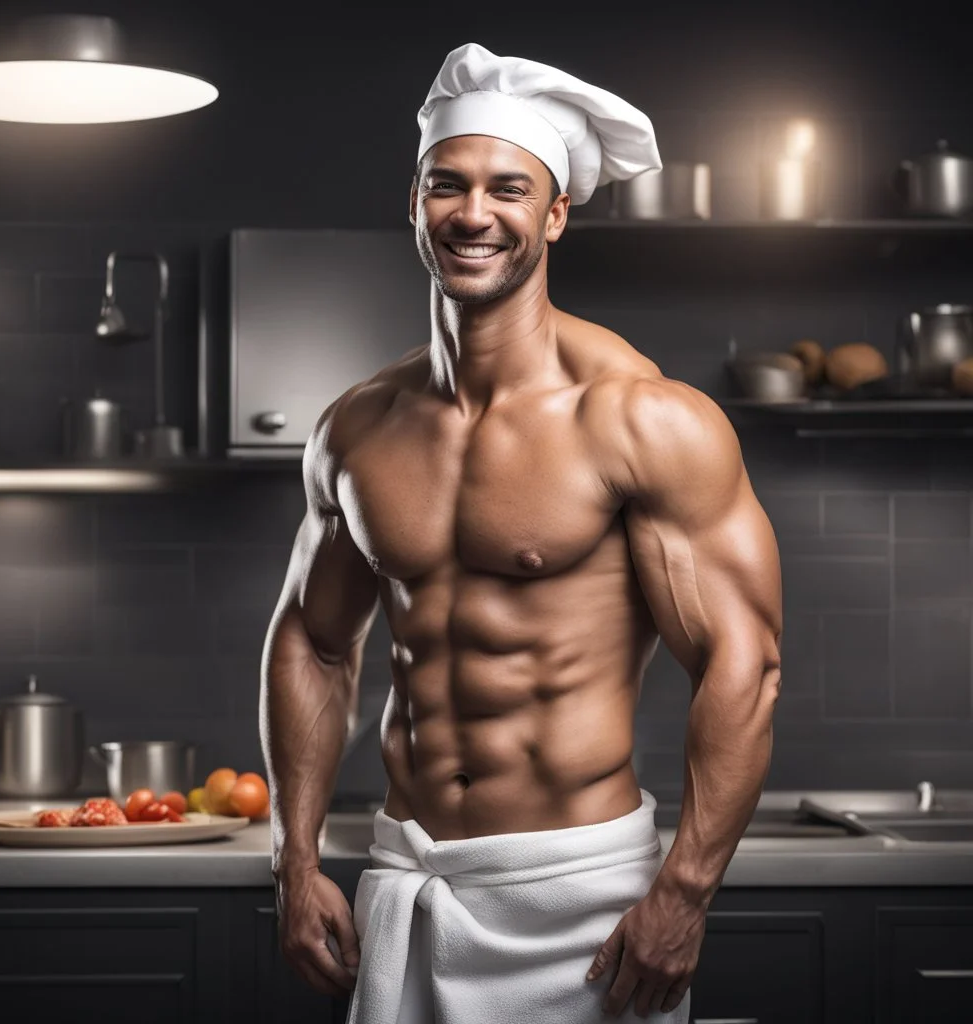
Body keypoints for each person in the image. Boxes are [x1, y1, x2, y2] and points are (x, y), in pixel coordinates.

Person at [261, 41, 782, 1024]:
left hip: (580, 903)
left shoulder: (639, 419)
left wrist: (683, 888)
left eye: (509, 188)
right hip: (406, 880)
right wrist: (292, 861)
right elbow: (313, 638)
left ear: (553, 215)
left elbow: (743, 662)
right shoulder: (358, 427)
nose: (473, 213)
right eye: (446, 185)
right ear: (413, 204)